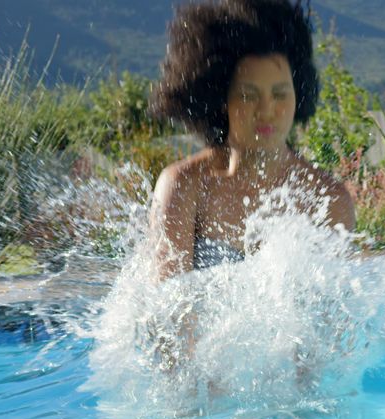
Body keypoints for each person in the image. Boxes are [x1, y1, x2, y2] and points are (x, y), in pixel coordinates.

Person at [149, 0, 355, 279]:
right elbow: (167, 309)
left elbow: (336, 316)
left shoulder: (329, 200)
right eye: (249, 95)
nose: (266, 110)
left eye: (280, 94)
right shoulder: (185, 187)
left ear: (299, 95)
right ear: (222, 100)